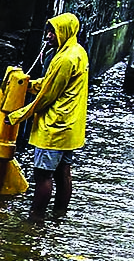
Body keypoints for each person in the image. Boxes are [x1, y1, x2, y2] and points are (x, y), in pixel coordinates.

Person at [7, 12, 88, 220]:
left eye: (54, 32)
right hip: (71, 127)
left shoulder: (64, 59)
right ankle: (59, 215)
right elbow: (52, 83)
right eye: (49, 31)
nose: (49, 36)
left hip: (54, 126)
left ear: (66, 32)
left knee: (43, 175)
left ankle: (35, 220)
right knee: (63, 172)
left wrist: (19, 115)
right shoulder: (78, 51)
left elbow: (48, 95)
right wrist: (29, 85)